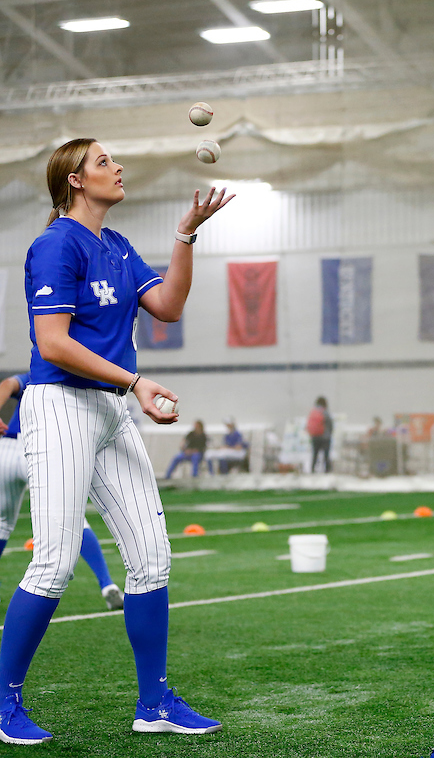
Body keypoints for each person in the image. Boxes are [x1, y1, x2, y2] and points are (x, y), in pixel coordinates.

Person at [0, 138, 232, 744]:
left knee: (153, 556)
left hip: (108, 411)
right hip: (59, 408)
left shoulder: (120, 246)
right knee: (52, 561)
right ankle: (3, 705)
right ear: (74, 182)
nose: (117, 167)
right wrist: (135, 381)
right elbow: (51, 344)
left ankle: (153, 704)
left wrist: (186, 235)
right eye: (104, 162)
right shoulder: (54, 245)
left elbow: (170, 306)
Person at [0, 373, 124, 610]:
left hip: (5, 449)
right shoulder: (67, 376)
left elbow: (7, 384)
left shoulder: (38, 373)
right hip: (38, 449)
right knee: (75, 519)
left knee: (2, 523)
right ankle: (107, 584)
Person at [306, 397, 333, 473]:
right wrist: (329, 433)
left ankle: (312, 469)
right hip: (325, 437)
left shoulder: (313, 412)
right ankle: (327, 470)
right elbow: (330, 424)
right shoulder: (325, 412)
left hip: (315, 437)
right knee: (326, 455)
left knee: (315, 454)